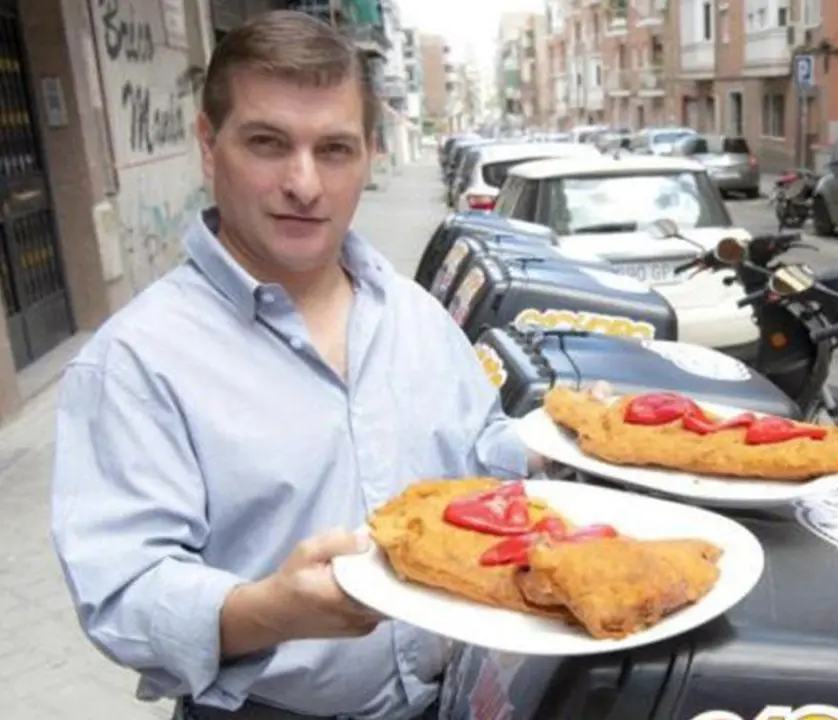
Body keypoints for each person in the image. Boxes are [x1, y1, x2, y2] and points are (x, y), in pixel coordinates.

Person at [49, 11, 546, 720]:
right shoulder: (134, 362)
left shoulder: (416, 317)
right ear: (207, 144)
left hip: (457, 700)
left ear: (370, 154)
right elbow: (123, 594)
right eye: (267, 143)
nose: (304, 183)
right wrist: (267, 611)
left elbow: (480, 457)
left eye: (334, 149)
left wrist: (552, 458)